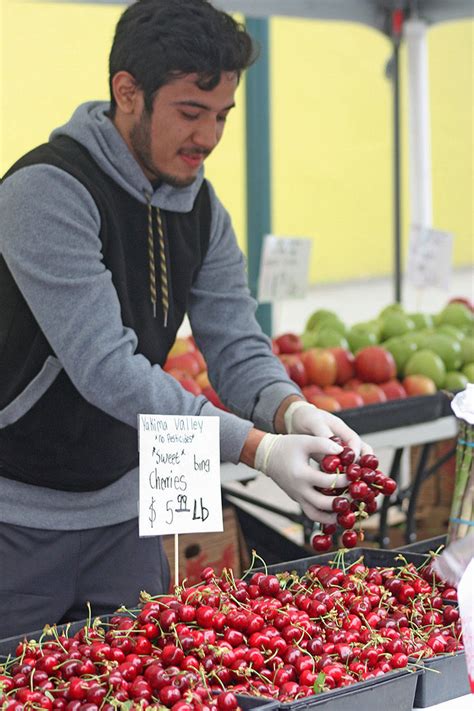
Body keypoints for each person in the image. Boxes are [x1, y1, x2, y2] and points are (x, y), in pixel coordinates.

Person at [0, 0, 370, 638]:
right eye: (191, 112)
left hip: (124, 515)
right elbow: (107, 369)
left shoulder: (200, 208)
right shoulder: (46, 190)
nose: (210, 137)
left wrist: (293, 411)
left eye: (222, 115)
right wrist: (260, 450)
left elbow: (235, 343)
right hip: (18, 519)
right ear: (128, 93)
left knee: (139, 682)